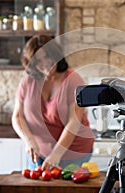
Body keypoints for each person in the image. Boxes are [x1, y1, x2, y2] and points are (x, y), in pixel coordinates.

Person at [12, 35, 94, 170]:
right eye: (38, 61)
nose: (45, 63)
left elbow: (74, 122)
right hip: (38, 151)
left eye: (47, 57)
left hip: (73, 152)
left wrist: (55, 155)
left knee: (63, 190)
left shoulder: (73, 80)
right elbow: (17, 116)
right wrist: (30, 142)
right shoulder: (28, 81)